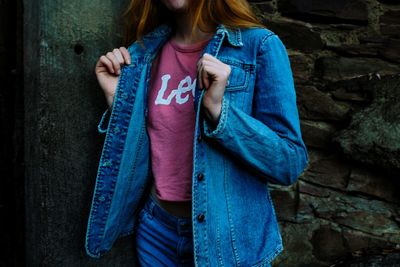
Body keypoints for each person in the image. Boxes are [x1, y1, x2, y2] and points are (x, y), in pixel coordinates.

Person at [84, 0, 309, 266]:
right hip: (156, 234)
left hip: (227, 240)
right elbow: (151, 152)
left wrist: (218, 111)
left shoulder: (257, 47)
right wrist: (118, 101)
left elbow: (289, 163)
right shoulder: (144, 54)